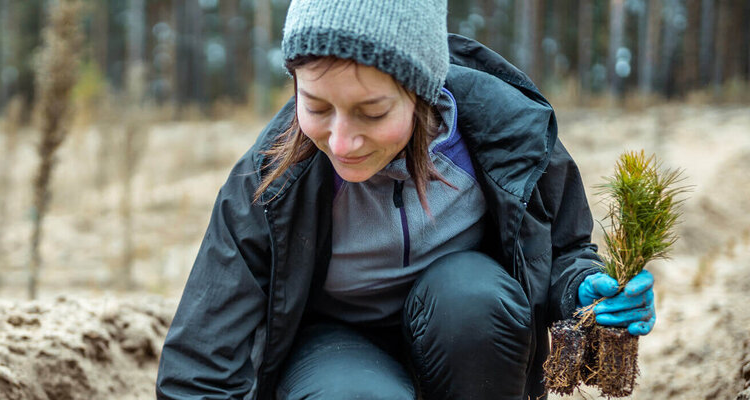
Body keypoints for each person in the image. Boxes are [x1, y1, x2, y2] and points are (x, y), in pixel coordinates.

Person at [156, 0, 656, 398]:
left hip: (467, 345)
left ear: (423, 93)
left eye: (372, 112)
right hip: (333, 355)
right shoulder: (272, 178)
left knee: (472, 298)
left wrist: (582, 292)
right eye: (317, 107)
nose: (341, 141)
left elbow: (565, 251)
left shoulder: (510, 135)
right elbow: (204, 356)